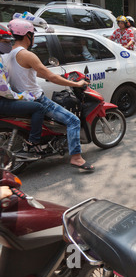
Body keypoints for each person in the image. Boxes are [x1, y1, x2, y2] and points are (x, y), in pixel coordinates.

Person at [5, 19, 94, 171]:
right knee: (73, 121)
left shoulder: (8, 54)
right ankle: (76, 158)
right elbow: (51, 77)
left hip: (20, 98)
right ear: (28, 35)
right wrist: (77, 84)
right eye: (32, 34)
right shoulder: (27, 54)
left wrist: (52, 77)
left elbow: (32, 72)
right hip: (37, 99)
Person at [0, 24, 46, 155]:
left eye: (10, 41)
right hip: (2, 101)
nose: (9, 44)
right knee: (38, 107)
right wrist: (24, 95)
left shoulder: (3, 57)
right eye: (5, 41)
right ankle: (33, 142)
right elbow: (4, 91)